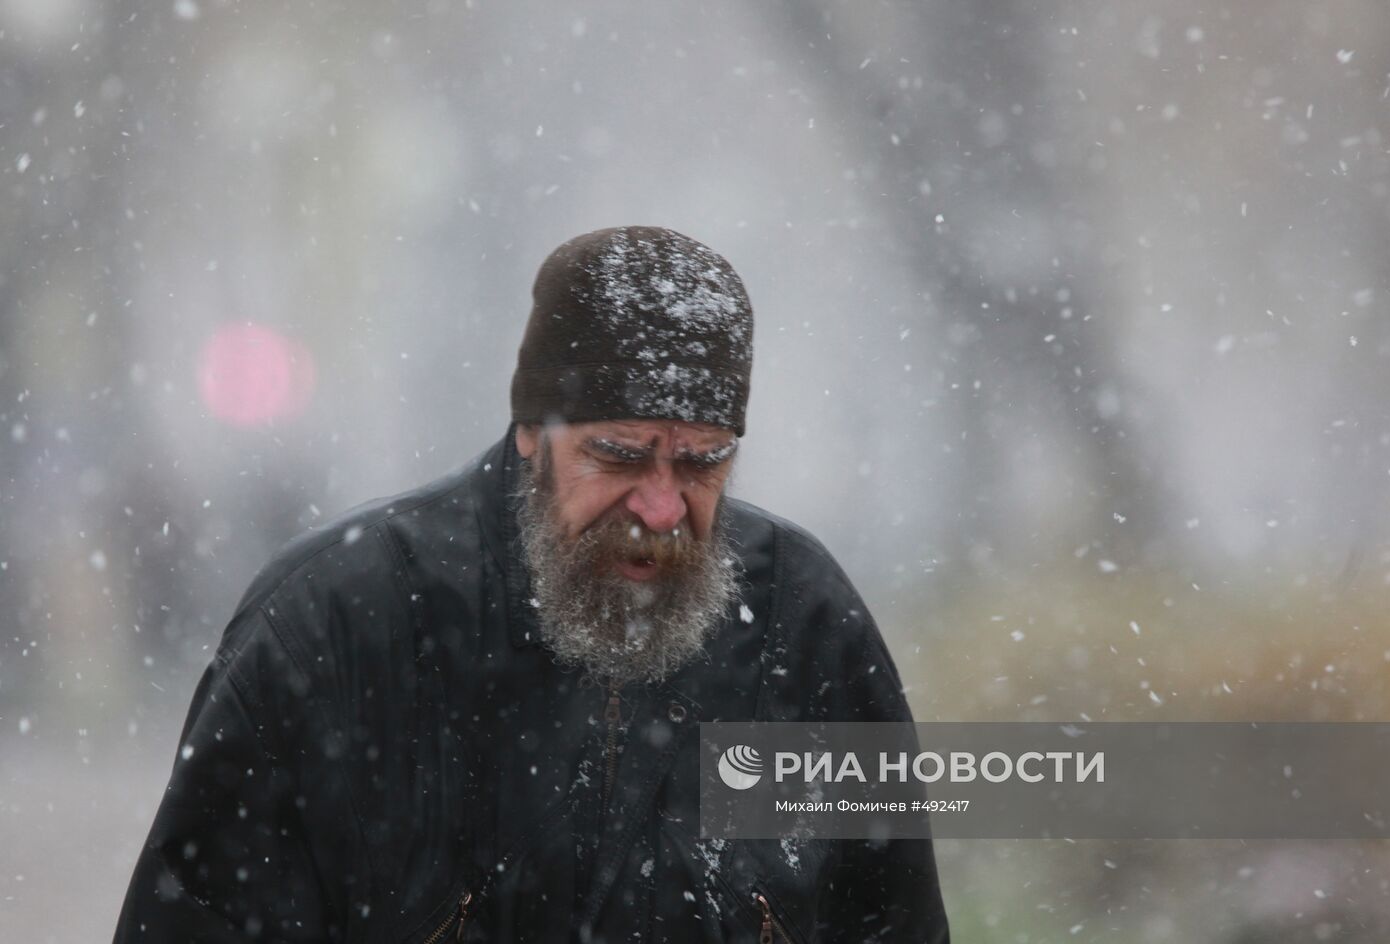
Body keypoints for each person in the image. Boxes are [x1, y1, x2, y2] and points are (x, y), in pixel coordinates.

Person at [114, 226, 951, 942]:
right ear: (531, 433)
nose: (662, 507)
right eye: (619, 456)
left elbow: (890, 918)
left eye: (703, 463)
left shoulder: (801, 630)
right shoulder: (334, 624)